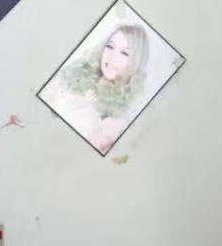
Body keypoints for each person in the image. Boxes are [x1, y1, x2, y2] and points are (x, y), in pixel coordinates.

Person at [43, 22, 150, 155]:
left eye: (124, 53)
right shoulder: (74, 75)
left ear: (135, 62)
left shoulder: (117, 122)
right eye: (110, 46)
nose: (112, 57)